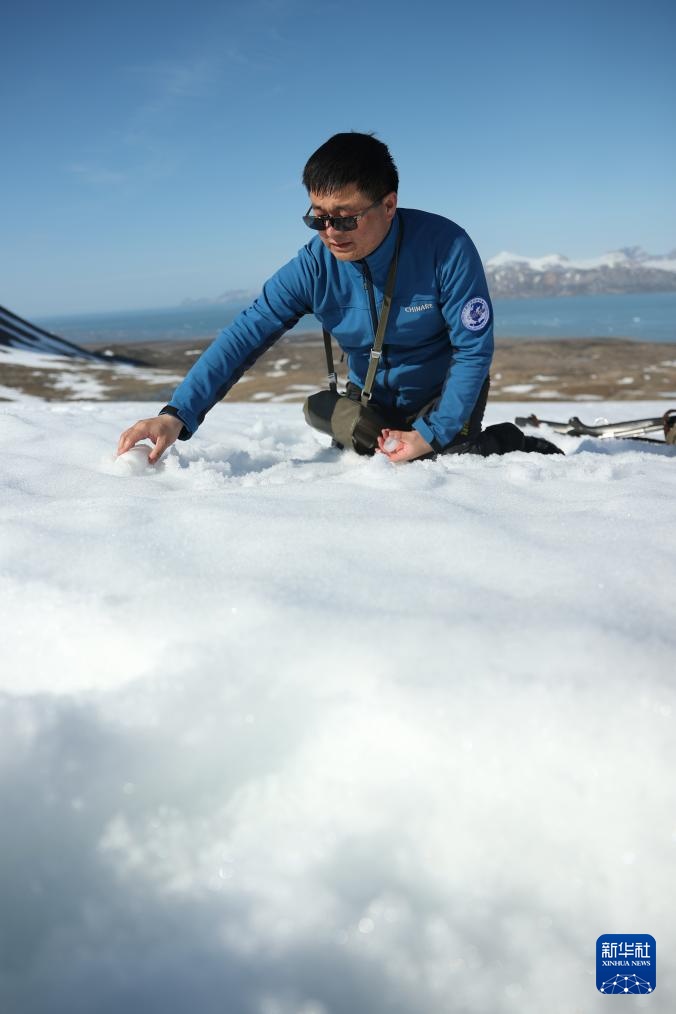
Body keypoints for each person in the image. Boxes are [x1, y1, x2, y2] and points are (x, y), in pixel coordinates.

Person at [118, 132, 561, 464]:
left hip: (444, 391)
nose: (330, 233)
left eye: (345, 219)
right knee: (365, 460)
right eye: (318, 218)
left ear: (388, 205)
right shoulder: (313, 265)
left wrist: (432, 432)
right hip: (370, 395)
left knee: (448, 458)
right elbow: (245, 335)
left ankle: (513, 443)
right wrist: (176, 414)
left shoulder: (446, 247)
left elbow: (472, 349)